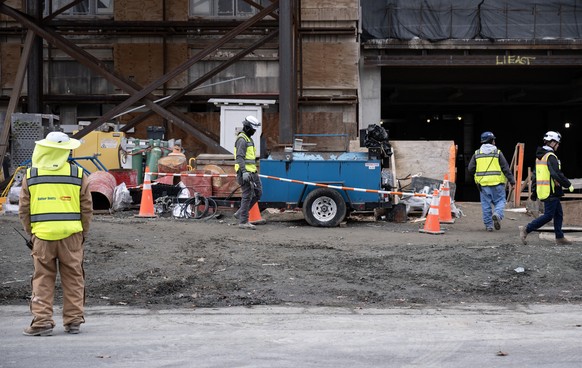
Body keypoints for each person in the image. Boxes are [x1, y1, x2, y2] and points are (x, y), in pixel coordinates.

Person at [18, 131, 93, 336]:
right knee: (73, 277)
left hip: (42, 236)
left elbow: (24, 209)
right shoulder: (78, 174)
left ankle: (42, 322)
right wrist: (82, 233)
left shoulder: (31, 175)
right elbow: (86, 208)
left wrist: (31, 232)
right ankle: (73, 321)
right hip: (71, 236)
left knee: (42, 278)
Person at [519, 131, 574, 245]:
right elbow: (556, 173)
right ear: (552, 142)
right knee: (549, 215)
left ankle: (559, 237)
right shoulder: (550, 157)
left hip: (546, 190)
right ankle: (526, 229)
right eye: (557, 143)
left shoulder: (540, 157)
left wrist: (534, 192)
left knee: (558, 214)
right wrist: (568, 184)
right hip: (551, 191)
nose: (558, 145)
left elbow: (535, 176)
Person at [468, 131, 515, 231]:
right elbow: (505, 168)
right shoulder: (497, 153)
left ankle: (489, 226)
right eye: (493, 139)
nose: (494, 141)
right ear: (491, 140)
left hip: (483, 185)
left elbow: (470, 168)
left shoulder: (477, 153)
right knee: (501, 201)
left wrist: (478, 176)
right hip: (497, 184)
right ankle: (497, 214)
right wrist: (512, 181)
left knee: (486, 205)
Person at [234, 115, 262, 230]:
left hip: (252, 172)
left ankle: (241, 213)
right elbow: (239, 157)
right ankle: (243, 220)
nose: (254, 132)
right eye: (253, 129)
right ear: (247, 127)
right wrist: (244, 171)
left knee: (258, 193)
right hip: (245, 173)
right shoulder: (242, 140)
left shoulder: (248, 139)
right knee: (247, 196)